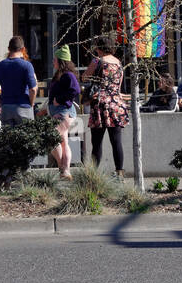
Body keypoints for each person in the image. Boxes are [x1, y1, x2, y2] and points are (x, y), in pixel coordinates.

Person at [83, 38, 129, 176]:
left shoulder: (98, 61)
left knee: (97, 142)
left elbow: (85, 77)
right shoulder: (119, 63)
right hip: (116, 104)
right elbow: (118, 87)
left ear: (99, 48)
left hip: (100, 103)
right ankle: (119, 172)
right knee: (116, 141)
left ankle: (93, 175)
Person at [48, 46, 82, 179]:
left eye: (55, 59)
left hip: (64, 112)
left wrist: (59, 99)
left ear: (61, 61)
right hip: (59, 111)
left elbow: (76, 90)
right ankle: (64, 170)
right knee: (63, 141)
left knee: (53, 137)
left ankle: (63, 168)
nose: (53, 62)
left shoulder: (68, 75)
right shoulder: (60, 74)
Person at [0, 35, 38, 125]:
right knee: (26, 137)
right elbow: (33, 89)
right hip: (23, 106)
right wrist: (31, 103)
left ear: (9, 49)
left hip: (6, 107)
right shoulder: (27, 65)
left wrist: (2, 102)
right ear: (23, 49)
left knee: (8, 137)